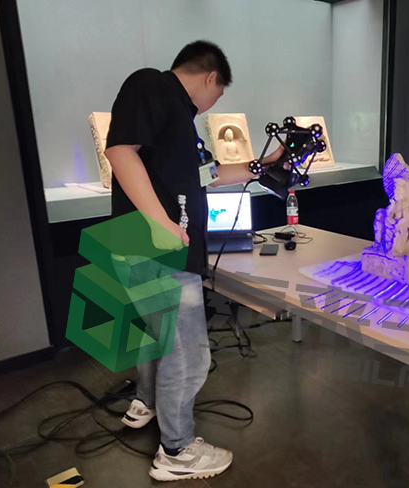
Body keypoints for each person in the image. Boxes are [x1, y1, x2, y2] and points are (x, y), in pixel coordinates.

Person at [104, 40, 283, 482]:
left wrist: (263, 165)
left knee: (157, 338)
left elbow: (209, 175)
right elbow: (120, 150)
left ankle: (146, 403)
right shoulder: (151, 85)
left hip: (152, 251)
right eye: (218, 94)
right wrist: (161, 222)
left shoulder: (179, 125)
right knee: (188, 355)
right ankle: (177, 451)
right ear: (210, 78)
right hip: (159, 251)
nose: (213, 104)